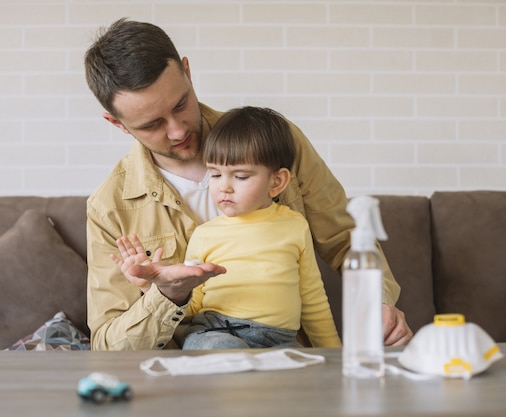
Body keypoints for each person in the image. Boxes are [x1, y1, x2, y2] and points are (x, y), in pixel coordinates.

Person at [84, 18, 412, 351]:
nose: (178, 131)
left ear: (187, 71)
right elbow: (107, 347)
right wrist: (166, 294)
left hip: (287, 357)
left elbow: (345, 238)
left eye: (181, 104)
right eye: (153, 124)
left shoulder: (274, 142)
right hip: (193, 376)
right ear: (117, 123)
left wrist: (378, 304)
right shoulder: (109, 208)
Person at [117, 106, 341, 350]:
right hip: (215, 331)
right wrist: (154, 285)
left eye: (240, 177)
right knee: (222, 349)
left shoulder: (295, 226)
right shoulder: (205, 235)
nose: (224, 187)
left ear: (276, 182)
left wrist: (333, 354)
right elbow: (193, 306)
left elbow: (312, 297)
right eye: (214, 175)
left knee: (301, 369)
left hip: (279, 340)